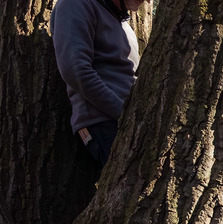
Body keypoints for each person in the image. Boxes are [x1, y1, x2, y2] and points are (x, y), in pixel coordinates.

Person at [52, 0, 150, 166]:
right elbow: (75, 71)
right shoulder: (75, 4)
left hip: (126, 120)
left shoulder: (122, 22)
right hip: (104, 123)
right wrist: (123, 114)